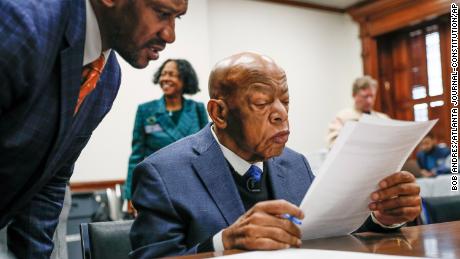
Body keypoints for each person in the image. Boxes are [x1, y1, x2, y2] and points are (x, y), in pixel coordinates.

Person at [129, 52, 422, 258]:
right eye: (261, 103)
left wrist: (383, 217)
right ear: (219, 113)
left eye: (285, 101)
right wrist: (222, 243)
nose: (281, 115)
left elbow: (334, 236)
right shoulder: (162, 174)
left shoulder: (295, 164)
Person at [0, 0, 187, 257]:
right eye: (162, 13)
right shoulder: (26, 22)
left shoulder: (108, 77)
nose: (170, 34)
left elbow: (51, 175)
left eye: (177, 18)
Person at [124, 59, 208, 203]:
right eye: (163, 74)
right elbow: (136, 156)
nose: (165, 78)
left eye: (172, 74)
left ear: (184, 80)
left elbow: (207, 152)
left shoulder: (197, 109)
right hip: (156, 186)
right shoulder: (145, 110)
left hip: (192, 186)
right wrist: (130, 193)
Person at [327, 75, 389, 148]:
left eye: (372, 96)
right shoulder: (342, 118)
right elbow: (333, 144)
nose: (369, 101)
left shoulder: (384, 118)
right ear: (354, 95)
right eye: (365, 96)